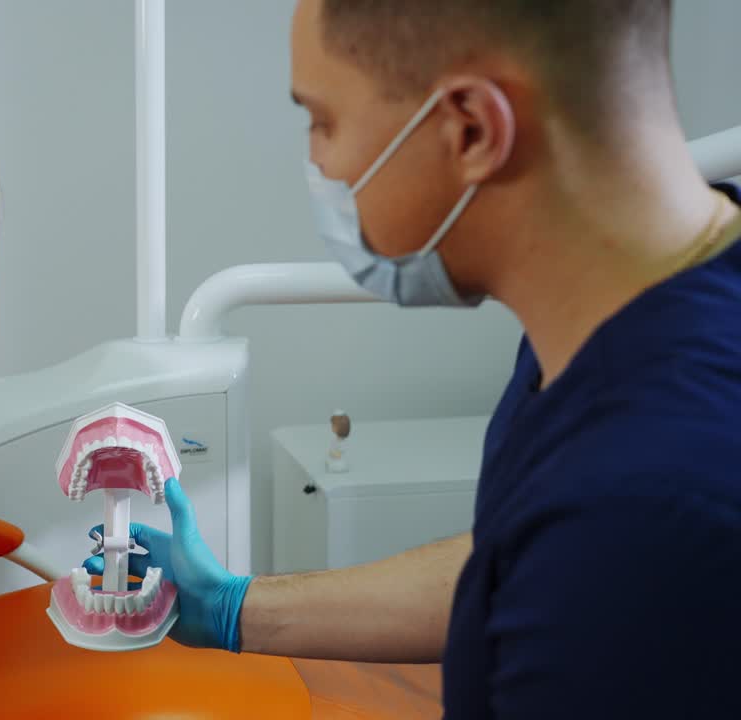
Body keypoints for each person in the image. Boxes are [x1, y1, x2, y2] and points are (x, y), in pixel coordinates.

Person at [87, 0, 741, 716]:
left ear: (471, 129)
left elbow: (595, 556)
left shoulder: (650, 503)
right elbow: (513, 566)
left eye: (323, 120)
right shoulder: (634, 307)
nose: (320, 160)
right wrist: (234, 606)